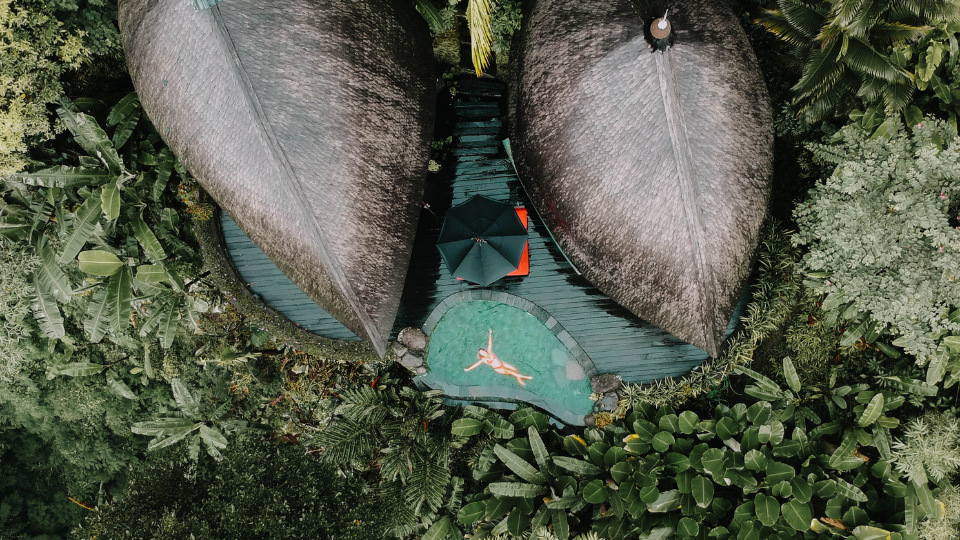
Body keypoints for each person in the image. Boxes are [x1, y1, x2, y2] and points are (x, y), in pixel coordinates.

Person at [464, 329, 533, 385]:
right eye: (481, 353)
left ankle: (519, 380)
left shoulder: (489, 351)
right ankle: (525, 377)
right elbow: (475, 365)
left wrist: (490, 333)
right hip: (499, 368)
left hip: (502, 363)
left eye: (483, 350)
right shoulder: (483, 360)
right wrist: (468, 369)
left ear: (484, 350)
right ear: (481, 355)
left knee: (515, 369)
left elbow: (490, 343)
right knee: (512, 372)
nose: (483, 352)